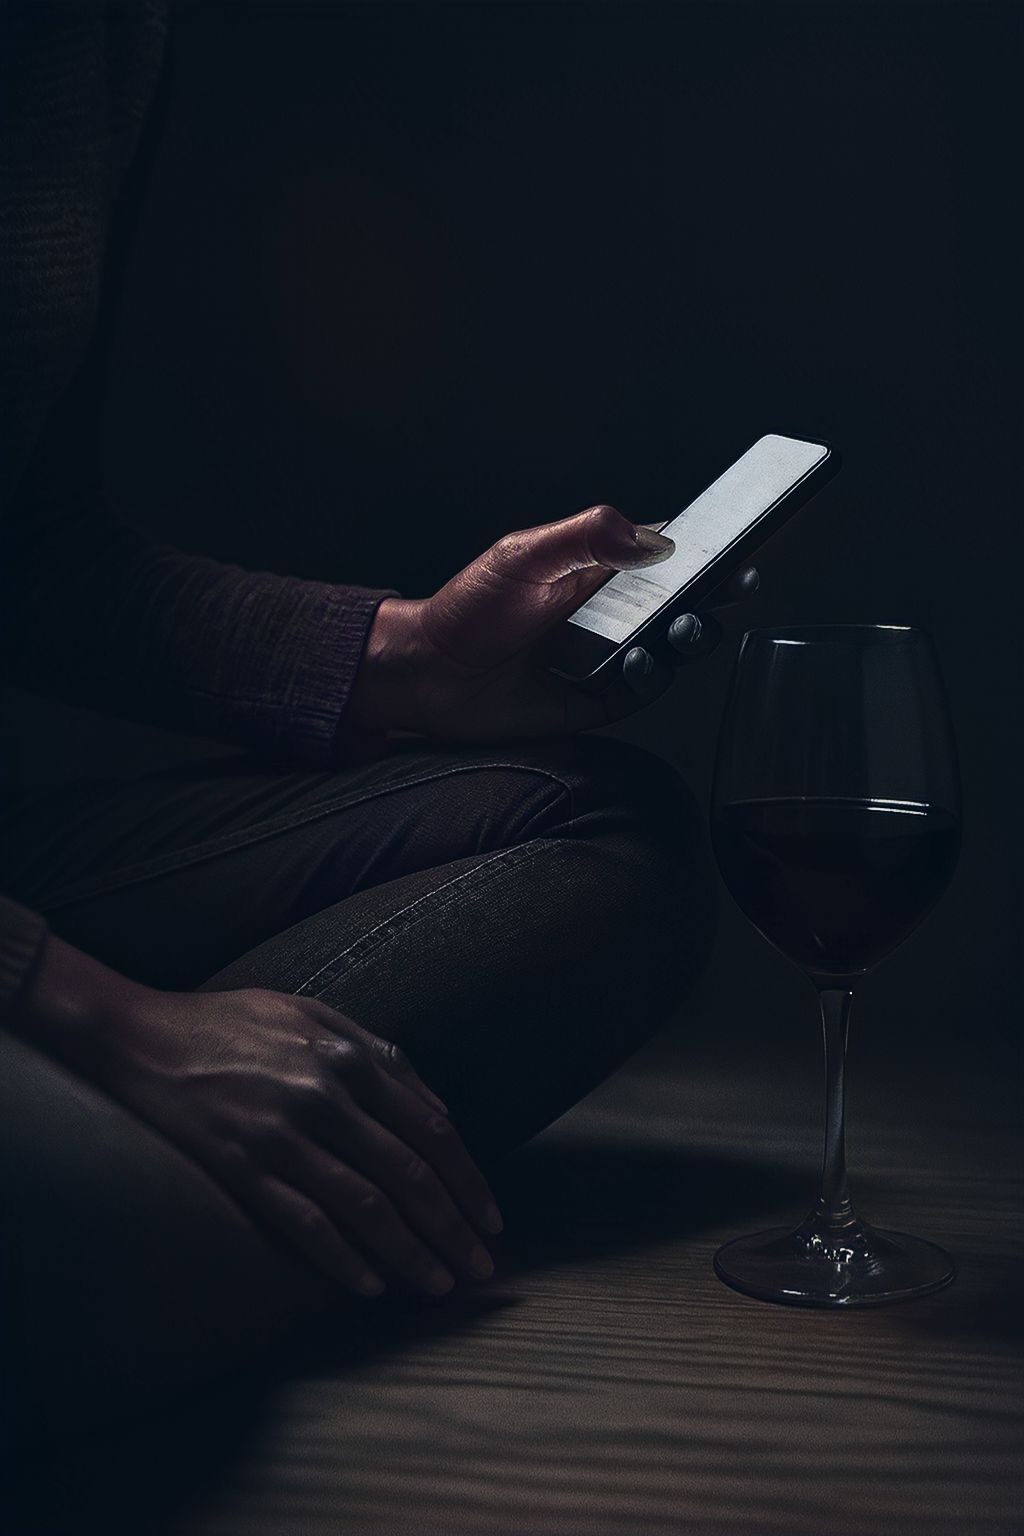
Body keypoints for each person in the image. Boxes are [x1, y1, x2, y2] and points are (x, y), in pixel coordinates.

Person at [0, 3, 754, 1448]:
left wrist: (402, 663)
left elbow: (18, 547)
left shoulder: (94, 37)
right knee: (134, 1252)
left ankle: (125, 1223)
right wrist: (97, 1019)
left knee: (597, 828)